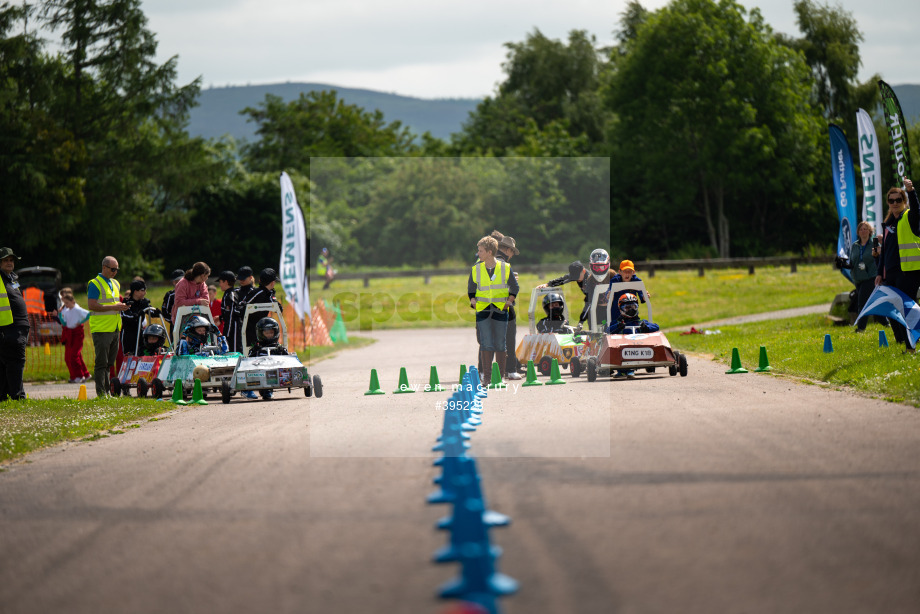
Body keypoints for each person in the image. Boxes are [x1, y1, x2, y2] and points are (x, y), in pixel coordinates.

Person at [876, 178, 920, 349]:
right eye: (891, 200)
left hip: (909, 270)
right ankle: (902, 341)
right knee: (892, 308)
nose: (895, 203)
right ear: (888, 203)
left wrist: (911, 191)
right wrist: (880, 272)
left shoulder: (909, 216)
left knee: (906, 309)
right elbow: (885, 251)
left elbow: (916, 210)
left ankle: (911, 345)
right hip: (891, 273)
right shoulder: (888, 224)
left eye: (898, 200)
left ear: (904, 201)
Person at [468, 236, 518, 386]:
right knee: (486, 343)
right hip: (483, 310)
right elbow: (471, 288)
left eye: (481, 251)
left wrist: (509, 302)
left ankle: (500, 378)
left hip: (500, 310)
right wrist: (472, 301)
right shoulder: (476, 268)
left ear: (490, 252)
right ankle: (487, 379)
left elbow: (515, 287)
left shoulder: (505, 268)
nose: (478, 253)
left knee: (500, 344)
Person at [87, 256, 129, 397]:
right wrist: (115, 306)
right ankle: (101, 393)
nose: (115, 272)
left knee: (109, 363)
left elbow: (114, 304)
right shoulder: (94, 283)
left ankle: (107, 392)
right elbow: (92, 305)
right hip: (101, 329)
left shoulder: (115, 283)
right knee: (101, 363)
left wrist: (122, 307)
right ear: (104, 267)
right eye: (112, 269)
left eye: (116, 269)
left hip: (115, 328)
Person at [0, 247, 30, 400]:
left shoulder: (12, 278)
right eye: (5, 260)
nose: (9, 263)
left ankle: (4, 397)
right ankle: (18, 397)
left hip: (17, 329)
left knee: (7, 363)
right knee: (16, 363)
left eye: (11, 260)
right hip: (8, 329)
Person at [607, 293, 660, 379]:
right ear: (621, 309)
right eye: (628, 308)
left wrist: (646, 327)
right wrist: (618, 326)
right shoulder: (617, 323)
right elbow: (607, 331)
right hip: (622, 350)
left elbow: (656, 327)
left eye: (633, 307)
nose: (631, 310)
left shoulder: (640, 322)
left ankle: (631, 369)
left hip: (640, 348)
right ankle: (623, 371)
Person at [496, 235, 523, 379]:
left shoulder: (487, 262)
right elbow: (513, 286)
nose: (512, 255)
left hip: (489, 305)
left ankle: (490, 371)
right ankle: (511, 369)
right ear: (508, 250)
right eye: (512, 252)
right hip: (505, 305)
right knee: (509, 338)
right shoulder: (504, 264)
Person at [55, 290, 91, 383]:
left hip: (77, 334)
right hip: (70, 334)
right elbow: (64, 323)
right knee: (73, 356)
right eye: (64, 303)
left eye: (67, 302)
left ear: (72, 301)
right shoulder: (66, 311)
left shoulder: (77, 309)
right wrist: (59, 314)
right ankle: (85, 374)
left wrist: (81, 322)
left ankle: (80, 375)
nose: (65, 305)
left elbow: (88, 314)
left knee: (74, 355)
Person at [242, 268, 283, 349]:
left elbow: (278, 308)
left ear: (260, 280)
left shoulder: (266, 293)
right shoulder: (259, 292)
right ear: (272, 283)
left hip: (259, 328)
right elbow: (242, 306)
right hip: (250, 329)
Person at [850, 221, 878, 332]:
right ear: (858, 232)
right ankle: (885, 322)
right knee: (872, 303)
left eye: (865, 229)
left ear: (870, 231)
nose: (863, 231)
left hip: (870, 277)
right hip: (858, 278)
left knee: (862, 302)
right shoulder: (855, 245)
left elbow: (879, 259)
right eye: (861, 229)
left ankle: (861, 328)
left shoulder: (874, 244)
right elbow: (852, 260)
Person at [171, 261, 211, 328]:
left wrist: (188, 301)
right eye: (207, 276)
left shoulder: (202, 284)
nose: (207, 278)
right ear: (202, 275)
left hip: (199, 320)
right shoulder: (182, 284)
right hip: (182, 320)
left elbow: (206, 300)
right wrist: (198, 301)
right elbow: (179, 302)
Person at [580, 248, 614, 326]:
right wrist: (581, 321)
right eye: (596, 267)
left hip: (612, 308)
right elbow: (588, 302)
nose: (599, 270)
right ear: (591, 266)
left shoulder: (612, 275)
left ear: (607, 265)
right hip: (597, 310)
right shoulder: (590, 279)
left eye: (602, 267)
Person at [228, 266, 255, 354]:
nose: (241, 281)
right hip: (238, 328)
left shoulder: (255, 292)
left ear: (251, 277)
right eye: (240, 278)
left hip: (252, 328)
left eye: (244, 278)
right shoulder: (235, 292)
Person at [120, 279, 150, 357]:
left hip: (140, 333)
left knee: (142, 355)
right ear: (135, 292)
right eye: (142, 290)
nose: (145, 293)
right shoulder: (126, 302)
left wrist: (155, 312)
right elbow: (126, 315)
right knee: (130, 356)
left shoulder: (143, 302)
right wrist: (137, 315)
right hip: (128, 335)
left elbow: (149, 310)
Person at [160, 268, 184, 333]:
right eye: (179, 280)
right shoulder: (170, 295)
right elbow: (165, 311)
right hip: (175, 326)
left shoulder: (189, 293)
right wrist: (174, 321)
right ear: (174, 282)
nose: (182, 283)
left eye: (183, 280)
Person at [217, 270, 237, 335]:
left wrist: (227, 334)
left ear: (225, 282)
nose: (219, 285)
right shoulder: (227, 294)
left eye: (220, 282)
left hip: (233, 331)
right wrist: (220, 317)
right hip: (231, 329)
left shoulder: (230, 296)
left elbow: (231, 316)